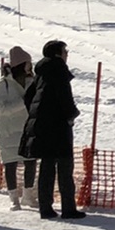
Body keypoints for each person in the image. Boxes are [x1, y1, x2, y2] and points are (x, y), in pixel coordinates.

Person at [23, 39, 84, 219]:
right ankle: (68, 208)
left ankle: (45, 207)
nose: (67, 54)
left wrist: (37, 113)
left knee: (47, 167)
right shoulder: (59, 69)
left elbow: (28, 96)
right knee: (65, 167)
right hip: (59, 125)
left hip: (42, 125)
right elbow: (65, 97)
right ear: (58, 53)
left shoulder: (41, 72)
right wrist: (71, 114)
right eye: (65, 51)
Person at [0, 47, 37, 209]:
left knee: (31, 162)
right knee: (10, 164)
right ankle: (13, 198)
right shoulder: (4, 83)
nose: (30, 66)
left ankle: (28, 196)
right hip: (9, 131)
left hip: (27, 129)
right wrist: (22, 103)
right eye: (28, 63)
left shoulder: (31, 81)